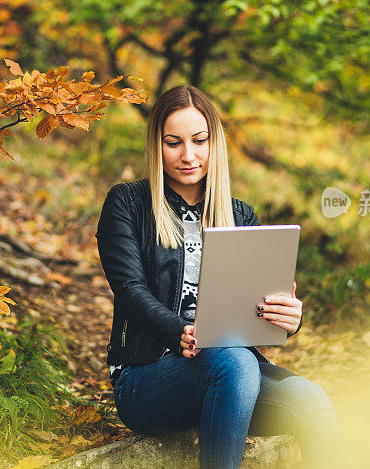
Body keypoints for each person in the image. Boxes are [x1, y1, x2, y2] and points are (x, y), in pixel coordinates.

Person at [95, 85, 348, 469]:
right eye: (173, 143)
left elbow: (253, 309)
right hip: (146, 377)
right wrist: (178, 329)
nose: (188, 155)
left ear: (215, 143)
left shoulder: (240, 214)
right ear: (156, 145)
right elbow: (129, 289)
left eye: (199, 141)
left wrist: (286, 318)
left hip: (233, 376)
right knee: (233, 362)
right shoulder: (128, 204)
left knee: (309, 396)